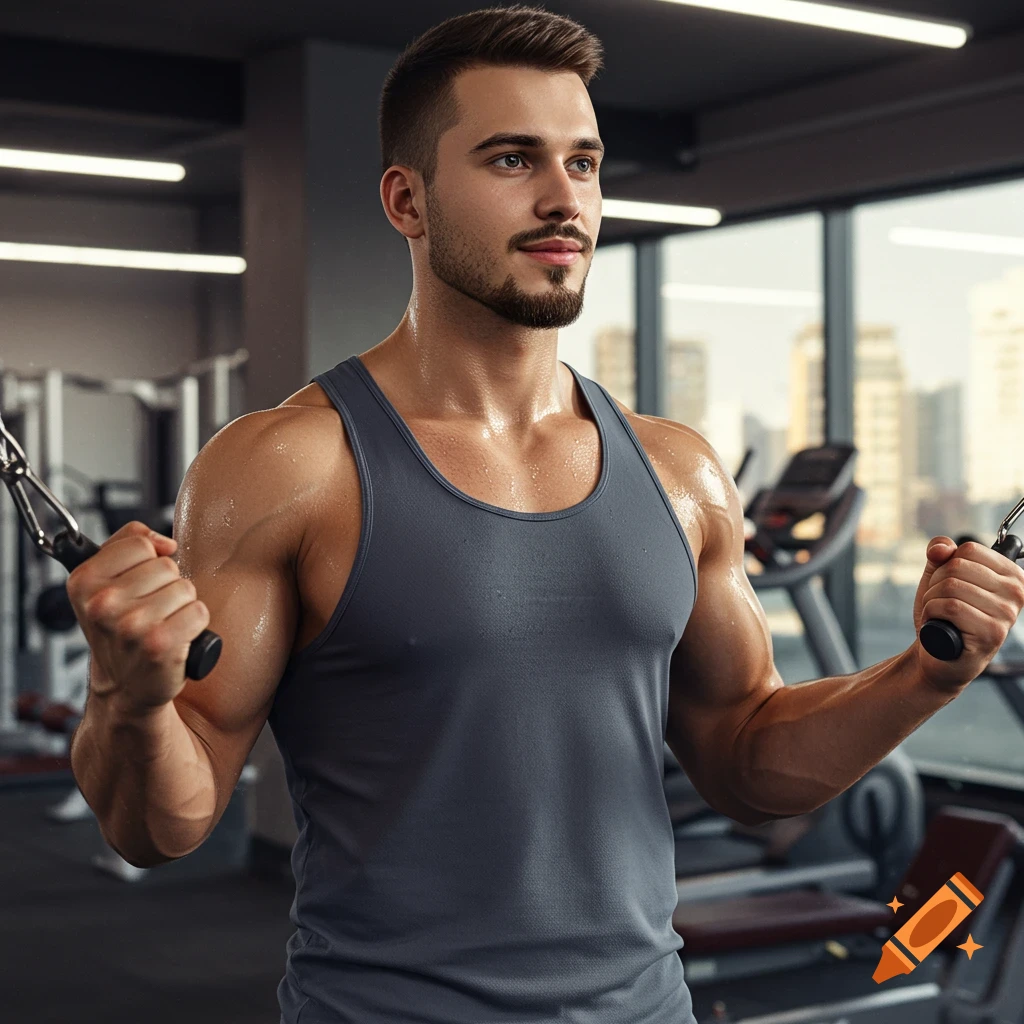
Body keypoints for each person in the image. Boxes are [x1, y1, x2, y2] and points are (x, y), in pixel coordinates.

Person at [66, 6, 1024, 1024]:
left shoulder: (680, 472)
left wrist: (927, 674)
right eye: (512, 159)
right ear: (407, 200)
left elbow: (747, 760)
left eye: (584, 162)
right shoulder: (289, 467)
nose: (564, 196)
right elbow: (163, 825)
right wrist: (128, 698)